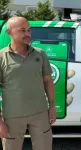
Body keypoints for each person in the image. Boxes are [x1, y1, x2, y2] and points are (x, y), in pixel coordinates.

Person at [0, 16, 55, 150]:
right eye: (22, 30)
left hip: (40, 113)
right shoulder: (1, 57)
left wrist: (52, 106)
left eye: (29, 30)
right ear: (9, 32)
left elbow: (47, 80)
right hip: (12, 116)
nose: (27, 34)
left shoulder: (40, 54)